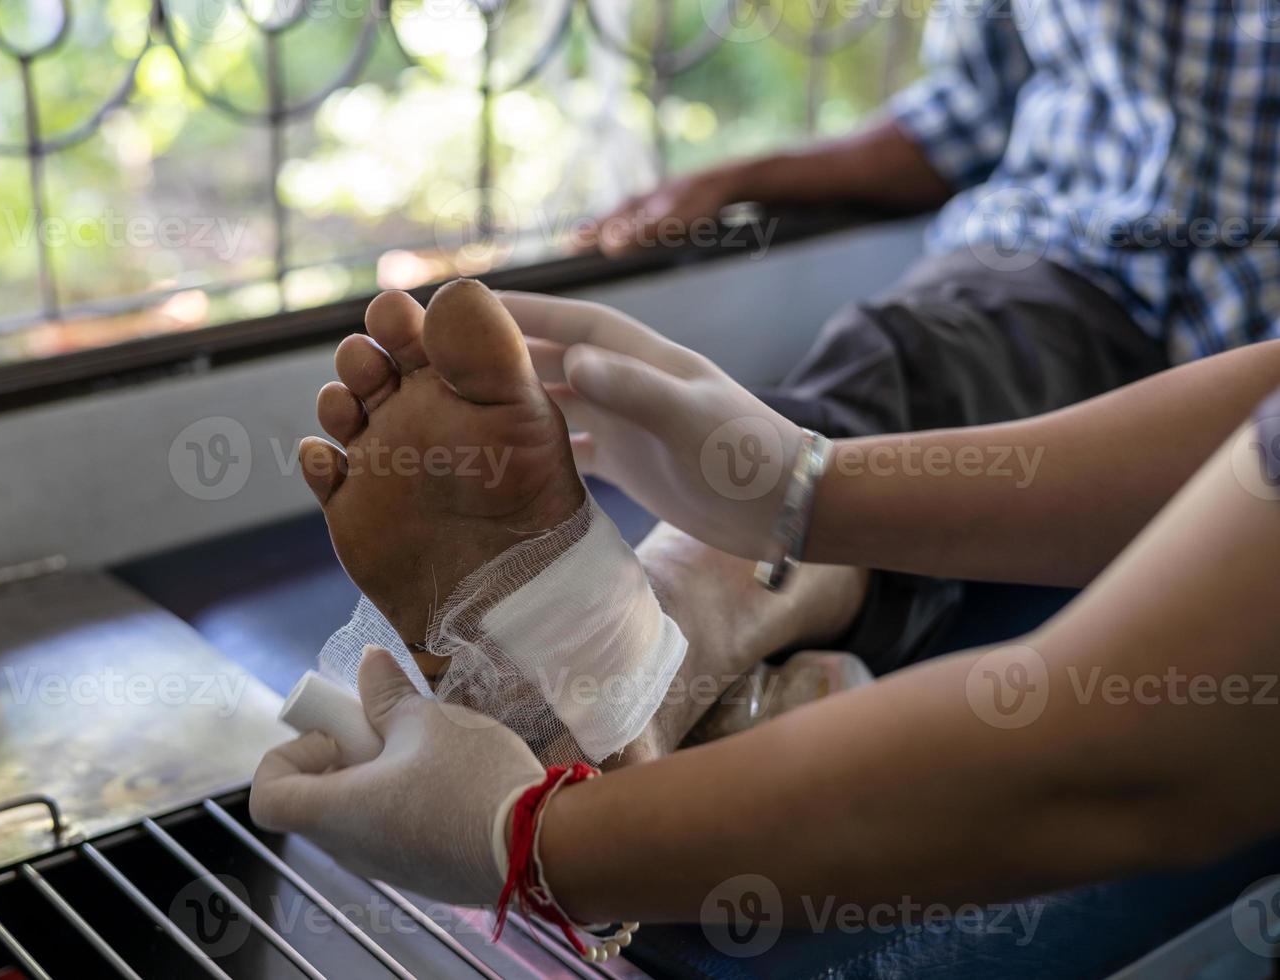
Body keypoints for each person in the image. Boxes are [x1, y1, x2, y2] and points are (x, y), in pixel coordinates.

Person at [251, 280, 1280, 932]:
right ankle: (679, 614)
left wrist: (534, 838)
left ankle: (666, 627)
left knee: (917, 358)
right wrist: (803, 483)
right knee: (923, 361)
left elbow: (1130, 760)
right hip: (1080, 287)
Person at [570, 0, 1280, 679]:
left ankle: (671, 667)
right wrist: (739, 179)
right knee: (902, 364)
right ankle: (673, 638)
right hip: (1060, 257)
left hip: (1261, 315)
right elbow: (964, 117)